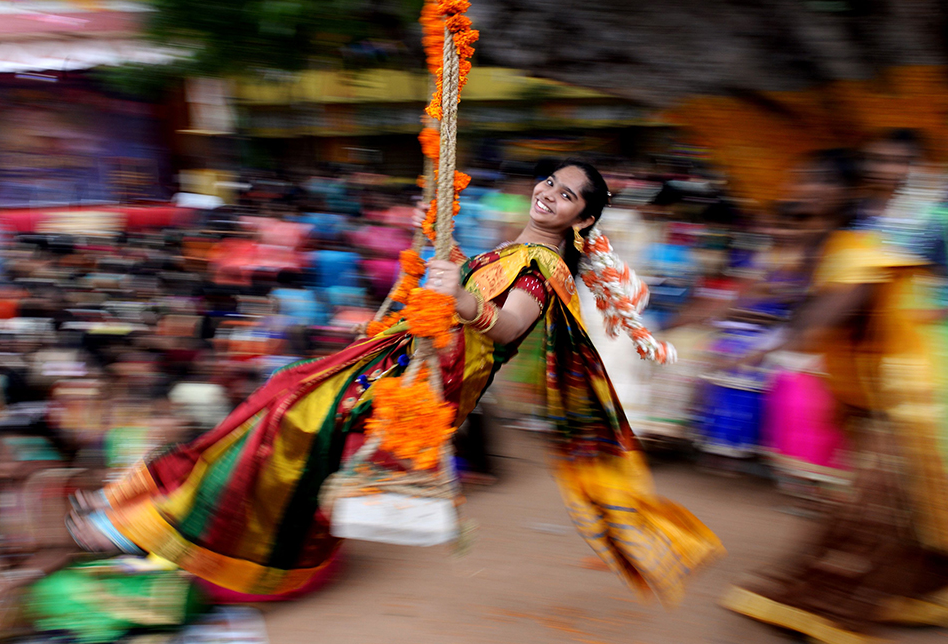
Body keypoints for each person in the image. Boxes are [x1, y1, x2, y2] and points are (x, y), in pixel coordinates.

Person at [66, 160, 723, 604]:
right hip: (400, 352)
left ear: (582, 216)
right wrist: (443, 261)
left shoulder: (543, 266)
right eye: (550, 181)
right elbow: (463, 292)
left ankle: (163, 528)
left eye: (568, 194)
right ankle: (148, 510)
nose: (550, 193)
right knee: (282, 391)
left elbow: (505, 328)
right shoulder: (506, 250)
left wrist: (459, 300)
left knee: (290, 415)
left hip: (425, 381)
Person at [722, 133, 948, 643]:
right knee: (900, 501)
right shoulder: (841, 229)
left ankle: (834, 604)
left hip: (913, 376)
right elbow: (803, 289)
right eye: (801, 178)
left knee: (879, 498)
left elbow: (851, 294)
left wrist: (787, 339)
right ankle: (930, 589)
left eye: (818, 180)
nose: (804, 188)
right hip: (869, 375)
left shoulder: (895, 228)